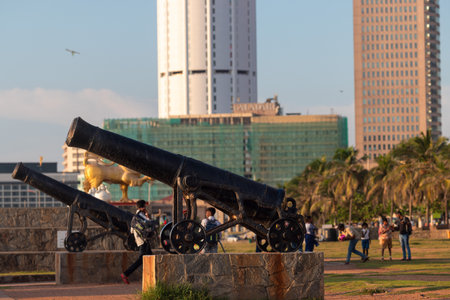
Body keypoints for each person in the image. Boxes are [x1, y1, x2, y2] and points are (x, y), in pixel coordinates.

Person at [121, 200, 153, 284]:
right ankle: (126, 273)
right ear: (143, 207)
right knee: (141, 260)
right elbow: (149, 224)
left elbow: (132, 230)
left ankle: (150, 278)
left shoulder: (135, 217)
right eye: (145, 206)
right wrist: (147, 215)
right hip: (144, 241)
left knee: (150, 258)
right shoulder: (142, 216)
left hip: (139, 241)